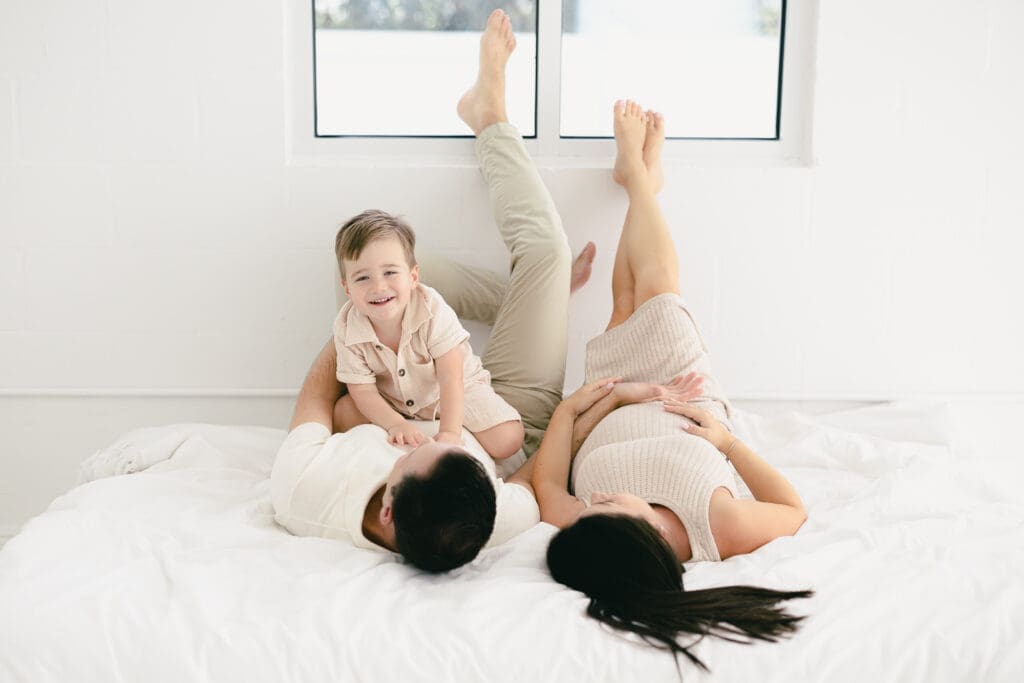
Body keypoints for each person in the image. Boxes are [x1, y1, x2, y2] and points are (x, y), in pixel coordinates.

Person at [270, 10, 587, 573]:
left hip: (414, 377)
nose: (433, 442)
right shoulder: (488, 518)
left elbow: (319, 402)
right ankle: (490, 117)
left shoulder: (302, 497)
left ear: (387, 508)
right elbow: (534, 483)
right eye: (448, 452)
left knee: (365, 267)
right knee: (547, 254)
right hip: (507, 409)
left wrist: (358, 316)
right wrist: (568, 417)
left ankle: (520, 295)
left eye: (424, 452)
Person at [529, 100, 812, 670]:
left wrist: (575, 411)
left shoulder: (589, 535)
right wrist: (726, 443)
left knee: (624, 300)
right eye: (608, 509)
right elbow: (793, 509)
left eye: (593, 508)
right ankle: (638, 179)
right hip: (684, 392)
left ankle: (641, 180)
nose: (596, 503)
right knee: (658, 285)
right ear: (645, 539)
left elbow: (548, 488)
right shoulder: (720, 526)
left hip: (608, 399)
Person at [331, 208, 525, 461]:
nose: (378, 287)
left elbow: (450, 376)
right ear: (347, 287)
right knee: (342, 414)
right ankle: (412, 427)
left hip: (453, 389)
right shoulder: (347, 327)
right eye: (363, 278)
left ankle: (439, 427)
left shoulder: (431, 309)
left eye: (390, 273)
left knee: (509, 438)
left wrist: (450, 433)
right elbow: (363, 391)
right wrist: (395, 424)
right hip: (394, 399)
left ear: (412, 277)